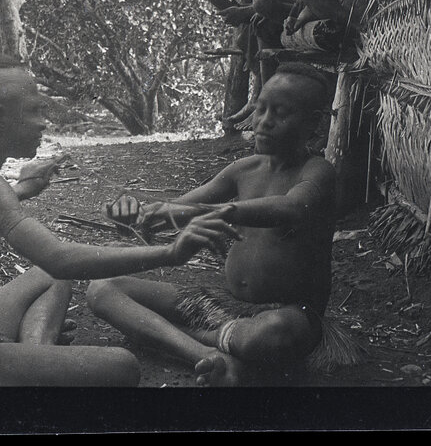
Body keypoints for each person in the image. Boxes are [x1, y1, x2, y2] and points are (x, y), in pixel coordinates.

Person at [0, 55, 239, 386]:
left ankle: (34, 356)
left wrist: (23, 189)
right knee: (121, 367)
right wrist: (173, 252)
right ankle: (34, 367)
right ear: (0, 117)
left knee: (47, 282)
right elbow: (59, 259)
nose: (43, 123)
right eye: (34, 111)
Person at [87, 64, 344, 386]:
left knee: (270, 335)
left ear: (314, 124)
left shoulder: (318, 171)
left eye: (280, 113)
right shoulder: (243, 169)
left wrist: (216, 211)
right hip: (221, 305)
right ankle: (207, 351)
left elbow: (291, 207)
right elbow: (176, 208)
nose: (263, 122)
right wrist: (131, 211)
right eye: (260, 109)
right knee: (103, 290)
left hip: (289, 313)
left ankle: (159, 333)